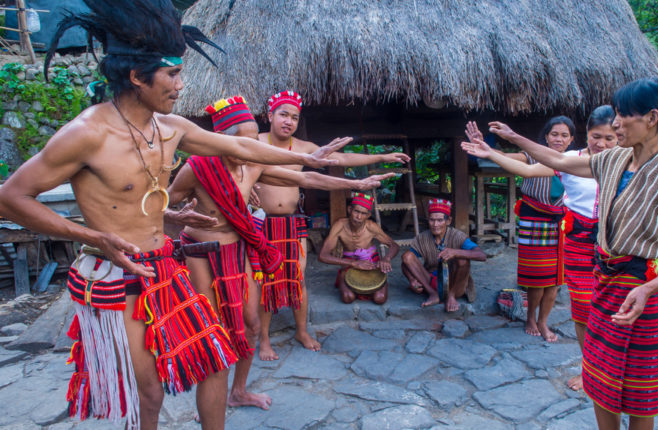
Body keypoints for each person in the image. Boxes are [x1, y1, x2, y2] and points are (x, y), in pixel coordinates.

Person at [0, 2, 345, 429]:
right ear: (136, 76)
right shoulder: (86, 134)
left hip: (165, 267)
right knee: (149, 389)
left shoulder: (171, 128)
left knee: (216, 357)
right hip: (116, 273)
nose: (182, 85)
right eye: (173, 74)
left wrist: (313, 161)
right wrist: (92, 236)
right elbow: (11, 198)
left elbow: (238, 147)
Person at [466, 78, 658, 430]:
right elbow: (555, 159)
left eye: (623, 116)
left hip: (645, 292)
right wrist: (509, 140)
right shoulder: (614, 161)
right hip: (607, 284)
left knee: (642, 392)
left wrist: (647, 290)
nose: (615, 124)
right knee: (599, 381)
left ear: (652, 118)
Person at [168, 96, 393, 410]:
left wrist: (358, 184)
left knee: (252, 325)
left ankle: (239, 391)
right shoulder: (198, 167)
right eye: (242, 142)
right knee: (212, 328)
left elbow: (305, 178)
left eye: (251, 142)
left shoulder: (255, 165)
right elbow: (164, 201)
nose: (249, 148)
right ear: (221, 139)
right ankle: (209, 401)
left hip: (239, 248)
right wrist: (175, 215)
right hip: (201, 253)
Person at [462, 106, 618, 389]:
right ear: (587, 135)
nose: (602, 143)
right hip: (578, 239)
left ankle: (611, 367)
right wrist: (491, 152)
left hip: (614, 243)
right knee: (582, 309)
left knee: (611, 309)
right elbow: (526, 167)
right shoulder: (572, 160)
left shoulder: (624, 161)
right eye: (597, 136)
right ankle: (590, 371)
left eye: (610, 138)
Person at [255, 90, 410, 360]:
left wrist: (381, 157)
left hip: (291, 223)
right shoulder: (254, 143)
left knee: (298, 279)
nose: (288, 121)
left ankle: (302, 331)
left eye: (294, 117)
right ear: (270, 116)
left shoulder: (303, 147)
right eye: (283, 114)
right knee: (267, 281)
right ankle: (264, 339)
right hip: (260, 223)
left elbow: (342, 158)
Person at [401, 199, 487, 311]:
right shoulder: (422, 238)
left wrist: (455, 252)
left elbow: (482, 255)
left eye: (440, 220)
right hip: (430, 281)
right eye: (432, 220)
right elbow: (407, 263)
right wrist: (412, 279)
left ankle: (451, 296)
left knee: (462, 261)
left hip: (454, 284)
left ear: (448, 221)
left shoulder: (458, 236)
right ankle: (433, 294)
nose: (435, 224)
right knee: (406, 256)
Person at [318, 192, 399, 304]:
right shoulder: (339, 225)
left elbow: (393, 245)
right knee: (347, 297)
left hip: (371, 263)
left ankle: (380, 282)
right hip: (349, 263)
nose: (359, 217)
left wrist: (387, 258)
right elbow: (323, 255)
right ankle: (344, 278)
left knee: (380, 299)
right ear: (349, 209)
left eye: (363, 213)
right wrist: (353, 263)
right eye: (356, 211)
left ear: (368, 215)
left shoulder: (371, 226)